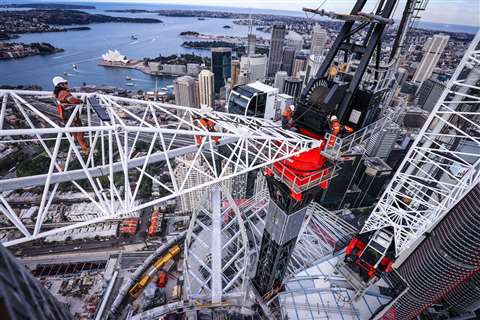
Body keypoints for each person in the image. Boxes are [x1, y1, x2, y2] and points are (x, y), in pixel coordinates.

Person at [53, 76, 89, 155]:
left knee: (75, 132)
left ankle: (82, 147)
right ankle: (85, 148)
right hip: (71, 116)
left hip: (67, 116)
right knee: (79, 132)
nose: (67, 84)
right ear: (60, 85)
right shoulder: (63, 92)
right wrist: (80, 101)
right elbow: (71, 100)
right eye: (65, 83)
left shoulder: (58, 93)